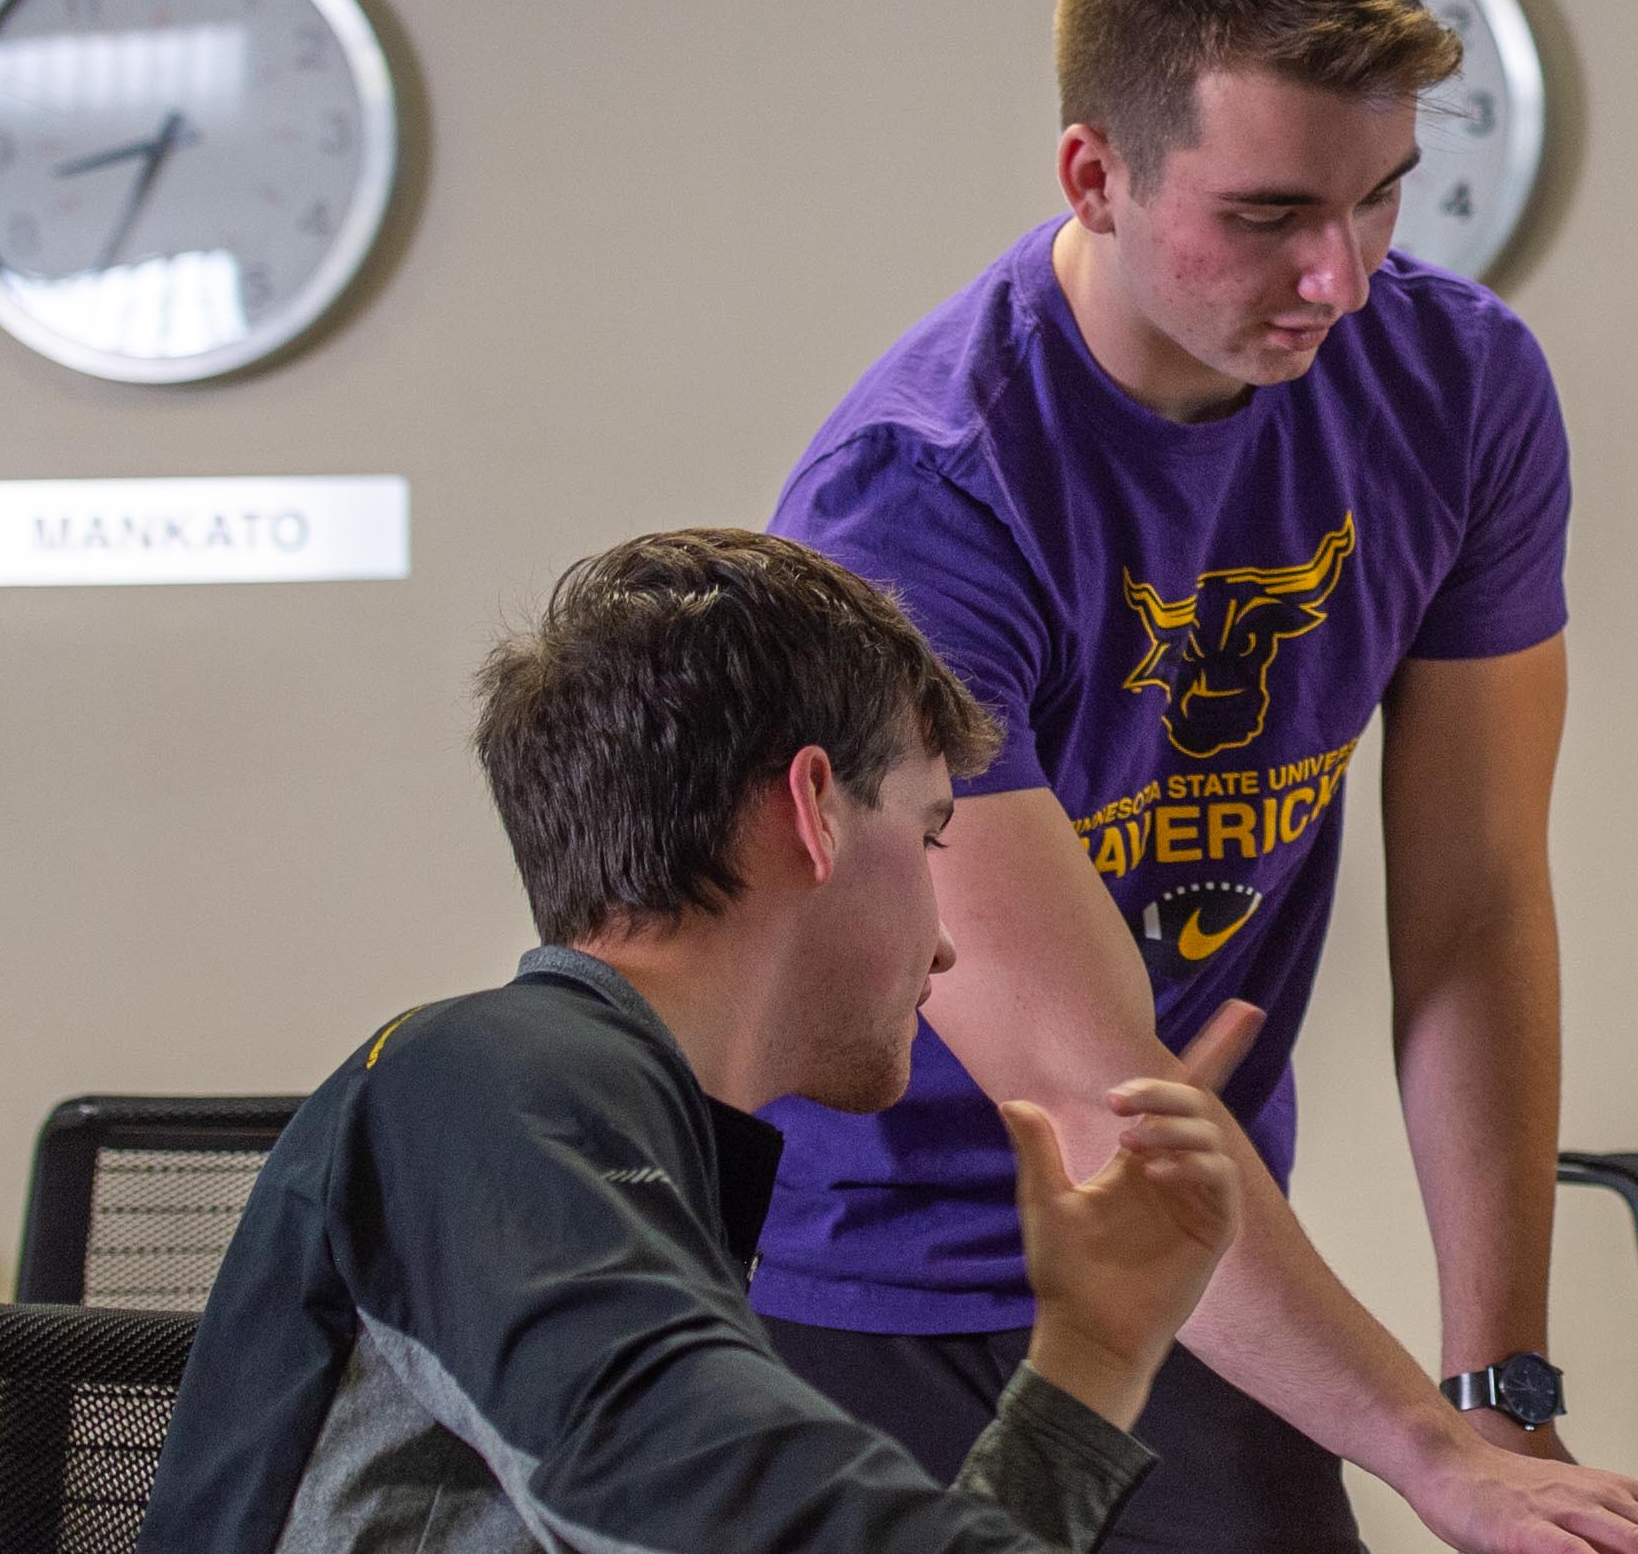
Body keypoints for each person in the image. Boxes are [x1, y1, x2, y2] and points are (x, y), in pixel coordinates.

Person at [758, 0, 1638, 1554]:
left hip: (1196, 1258)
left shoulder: (1453, 386)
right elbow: (1085, 1089)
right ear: (1092, 172)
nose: (1338, 275)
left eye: (1381, 197)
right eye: (1266, 215)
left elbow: (1475, 909)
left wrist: (1499, 1390)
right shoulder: (915, 500)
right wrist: (1428, 1454)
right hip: (879, 1292)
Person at [145, 529, 1265, 1554]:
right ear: (814, 808)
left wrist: (1095, 1352)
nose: (943, 952)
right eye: (928, 838)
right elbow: (699, 1496)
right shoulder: (482, 1073)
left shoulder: (620, 1123)